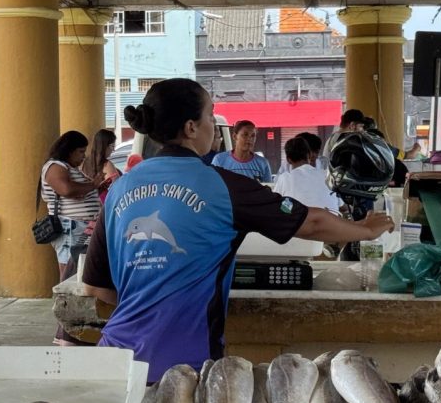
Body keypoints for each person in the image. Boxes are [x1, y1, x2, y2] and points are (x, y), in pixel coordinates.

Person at [82, 79, 394, 383]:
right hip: (184, 372)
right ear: (191, 128)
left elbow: (96, 287)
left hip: (115, 363)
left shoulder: (120, 188)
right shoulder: (222, 185)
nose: (214, 129)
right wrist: (364, 230)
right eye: (209, 115)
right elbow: (310, 222)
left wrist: (150, 300)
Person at [41, 130, 103, 346]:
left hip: (80, 227)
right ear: (67, 151)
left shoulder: (68, 168)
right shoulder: (55, 167)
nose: (83, 156)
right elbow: (65, 189)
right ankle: (64, 332)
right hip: (70, 228)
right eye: (79, 152)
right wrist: (93, 185)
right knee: (68, 281)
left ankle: (68, 329)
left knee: (77, 278)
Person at [273, 137, 341, 213]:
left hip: (300, 222)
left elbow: (277, 205)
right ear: (309, 156)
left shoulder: (284, 178)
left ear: (288, 160)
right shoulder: (328, 175)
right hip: (330, 222)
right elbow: (342, 206)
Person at [81, 129, 121, 207]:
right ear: (104, 146)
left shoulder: (84, 163)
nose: (113, 150)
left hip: (88, 207)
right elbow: (118, 188)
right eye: (112, 146)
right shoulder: (107, 165)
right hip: (105, 207)